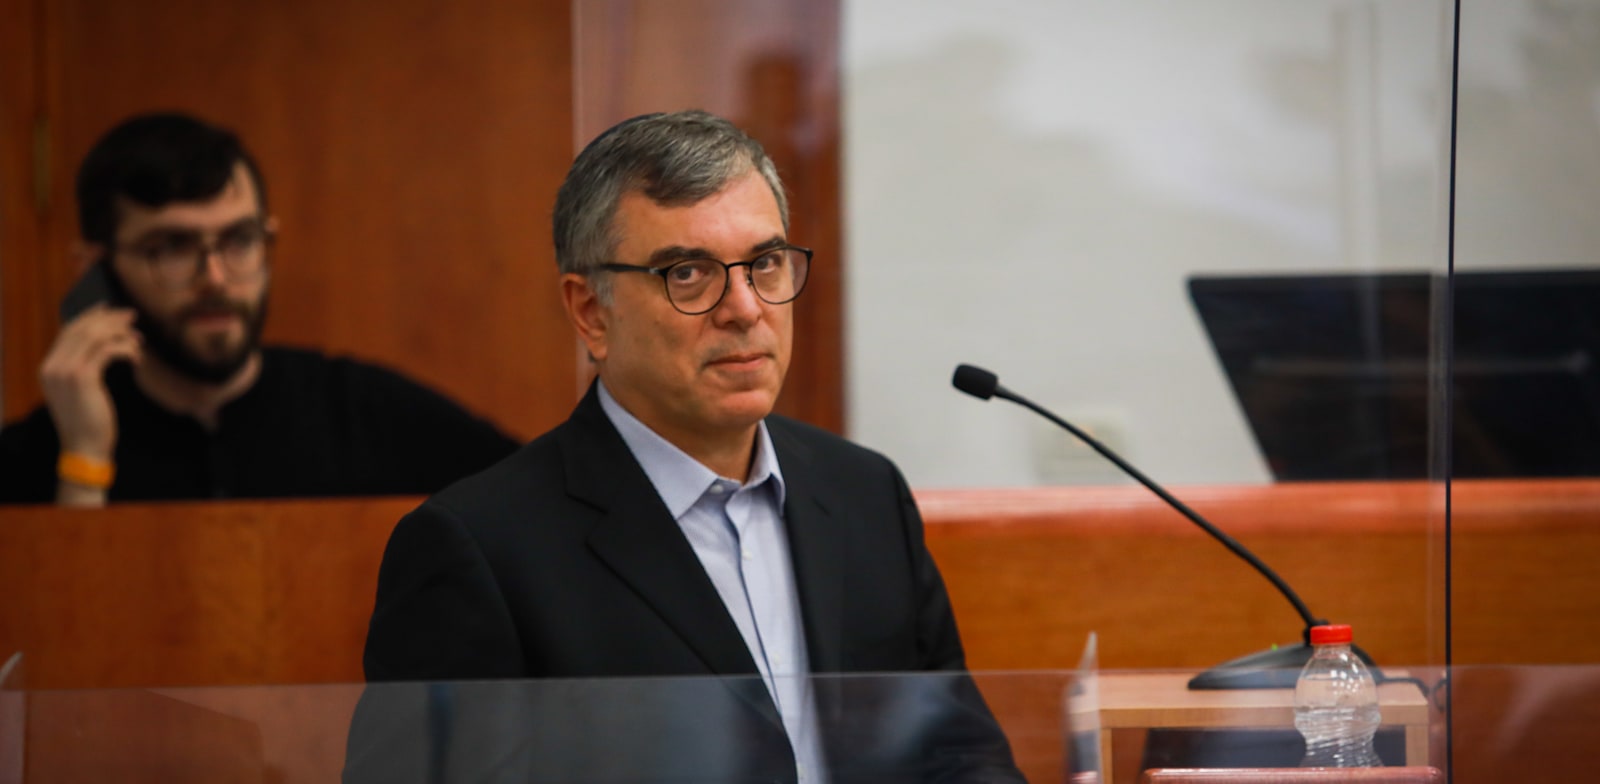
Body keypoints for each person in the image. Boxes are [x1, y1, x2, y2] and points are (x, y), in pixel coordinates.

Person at [352, 110, 1022, 783]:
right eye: (689, 274)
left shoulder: (865, 494)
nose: (745, 308)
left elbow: (961, 756)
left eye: (765, 264)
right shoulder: (480, 550)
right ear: (591, 313)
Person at [0, 112, 520, 506]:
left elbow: (547, 511)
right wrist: (84, 460)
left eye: (239, 240)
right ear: (95, 267)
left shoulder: (368, 413)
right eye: (173, 248)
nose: (215, 278)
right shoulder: (38, 450)